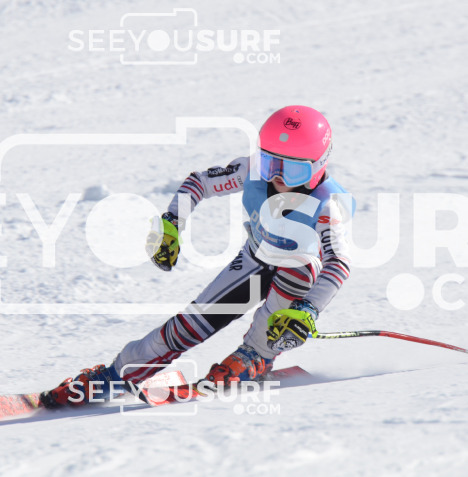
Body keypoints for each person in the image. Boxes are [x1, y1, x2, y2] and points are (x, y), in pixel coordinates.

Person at [41, 105, 354, 408]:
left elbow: (337, 264)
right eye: (271, 163)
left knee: (296, 275)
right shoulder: (252, 171)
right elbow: (199, 183)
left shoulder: (328, 205)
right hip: (256, 258)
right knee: (186, 327)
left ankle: (257, 354)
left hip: (298, 272)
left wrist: (308, 308)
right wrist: (172, 222)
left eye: (294, 169)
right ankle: (115, 375)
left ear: (318, 165)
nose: (278, 177)